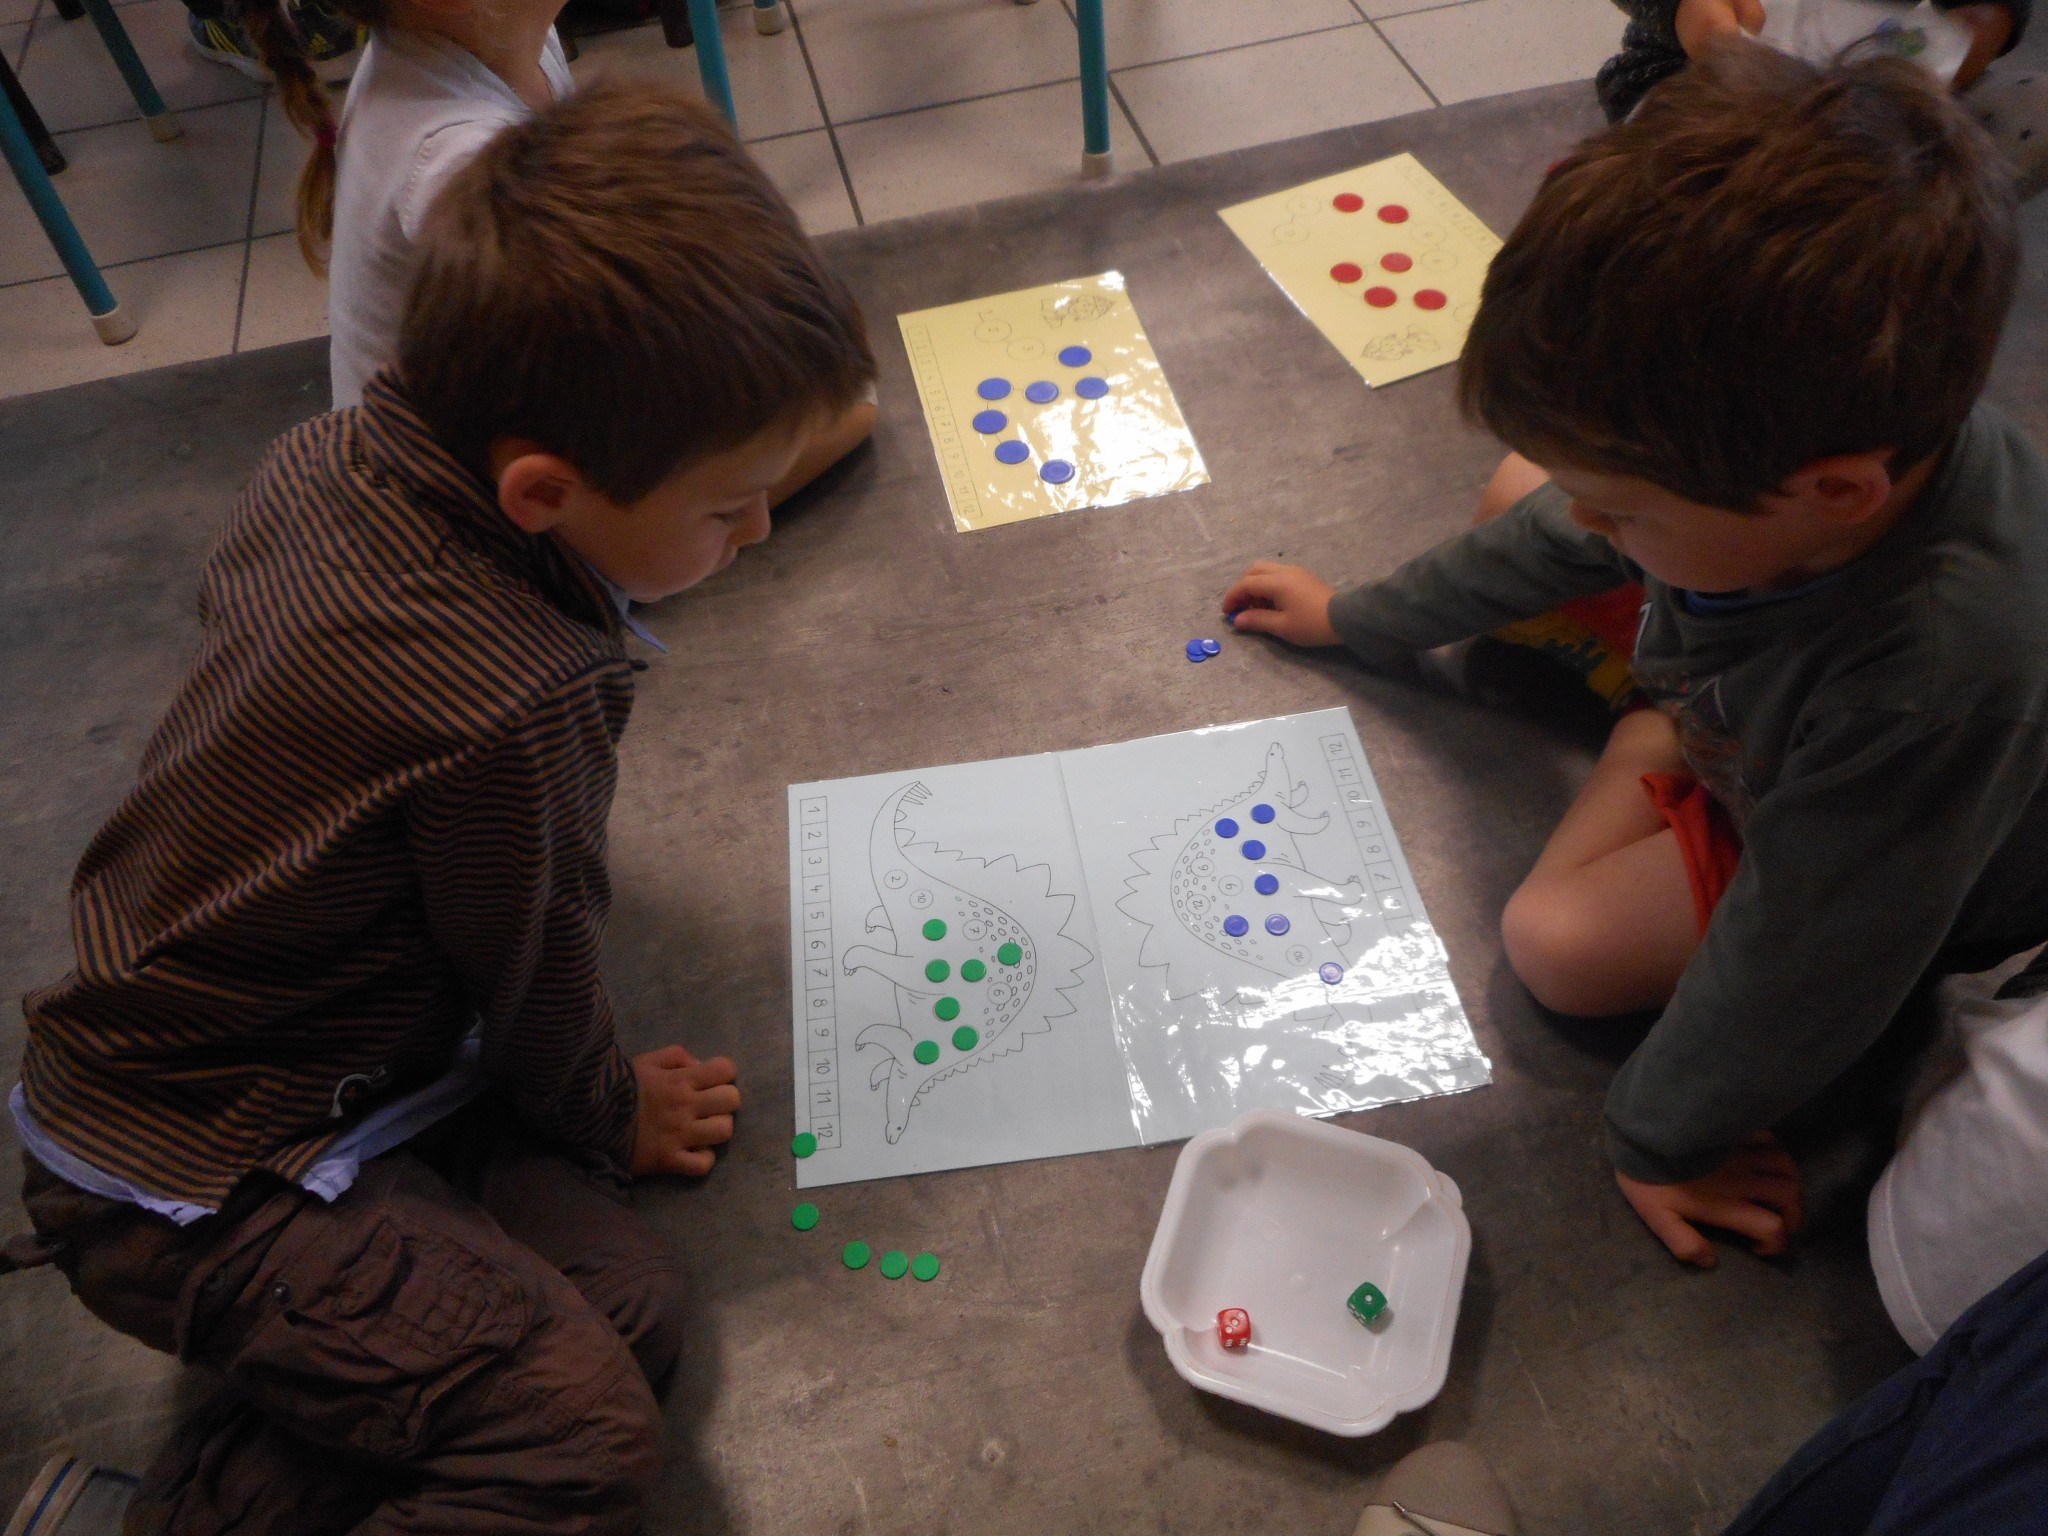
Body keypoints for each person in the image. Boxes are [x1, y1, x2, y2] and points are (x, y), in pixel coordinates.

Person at [1, 79, 873, 1534]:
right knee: (583, 1446)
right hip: (189, 1169)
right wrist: (604, 1107)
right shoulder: (509, 692)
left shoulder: (333, 451)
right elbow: (532, 962)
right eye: (728, 507)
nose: (760, 528)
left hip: (345, 1064)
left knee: (629, 1302)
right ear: (542, 492)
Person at [1223, 44, 2048, 1271]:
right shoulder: (1817, 445)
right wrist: (1356, 618)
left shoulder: (1927, 684)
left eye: (1620, 508)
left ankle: (1652, 727)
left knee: (1555, 944)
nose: (1588, 518)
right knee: (1521, 495)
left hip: (1903, 862)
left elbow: (1815, 954)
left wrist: (1661, 1135)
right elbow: (1559, 525)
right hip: (1770, 679)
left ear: (1832, 493)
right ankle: (1663, 700)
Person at [235, 0, 878, 491]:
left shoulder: (509, 45)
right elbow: (591, 387)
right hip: (457, 508)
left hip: (503, 415)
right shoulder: (456, 160)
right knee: (846, 409)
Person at [1598, 0, 2048, 197]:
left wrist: (1987, 22)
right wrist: (1683, 6)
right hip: (1692, 75)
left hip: (1881, 80)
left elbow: (1987, 15)